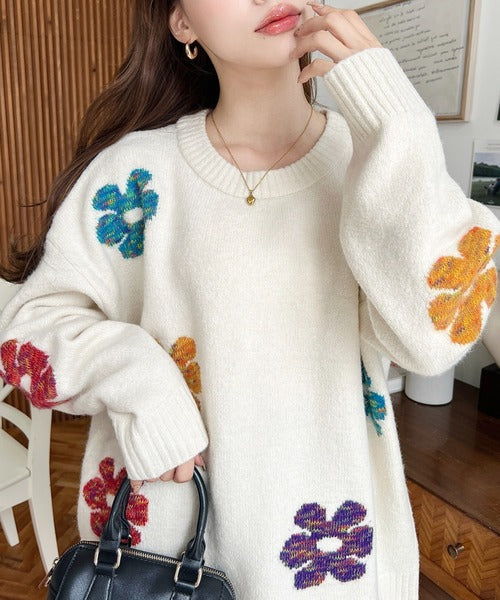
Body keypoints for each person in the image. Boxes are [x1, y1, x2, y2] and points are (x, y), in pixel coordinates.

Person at [1, 1, 499, 598]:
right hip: (164, 550)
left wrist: (397, 118)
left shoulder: (372, 160)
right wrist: (138, 378)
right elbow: (27, 331)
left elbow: (437, 336)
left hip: (330, 555)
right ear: (182, 23)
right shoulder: (134, 174)